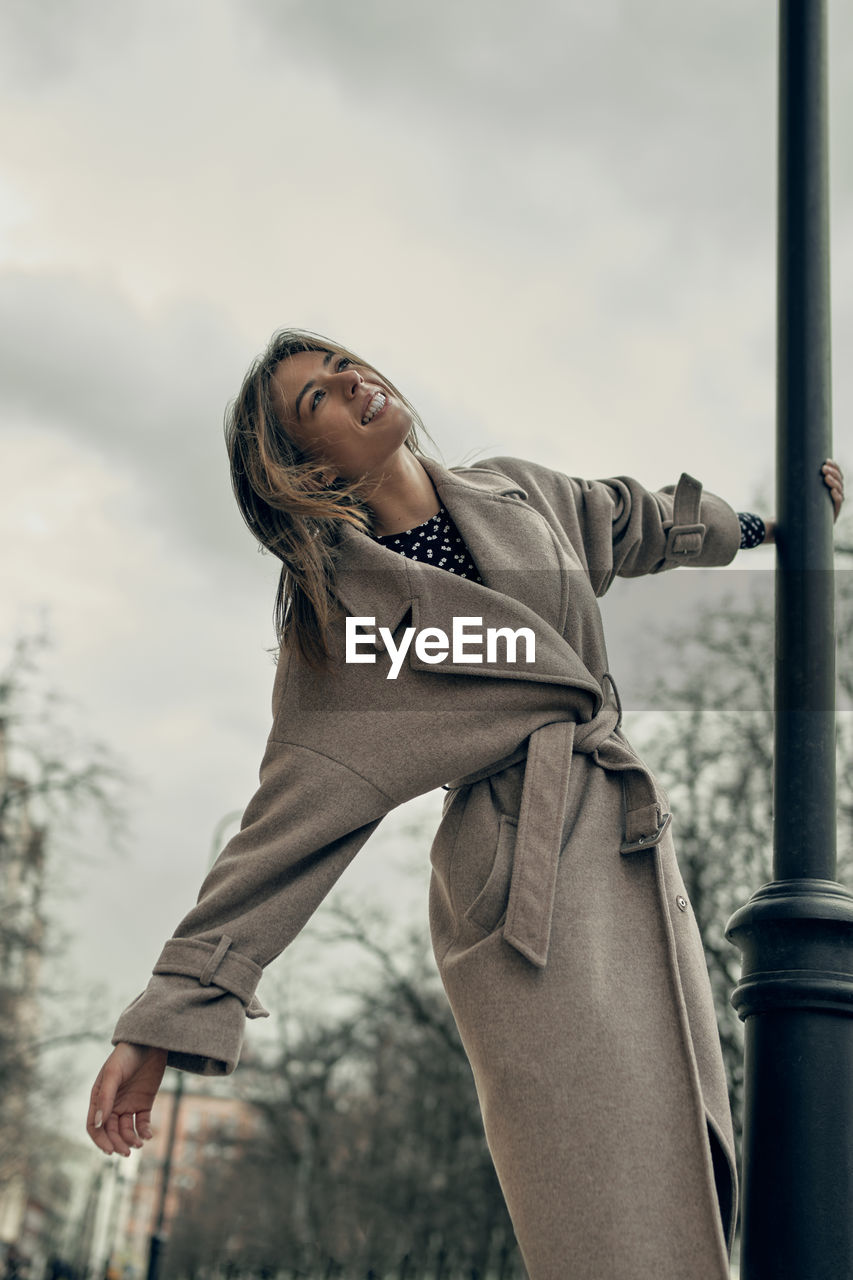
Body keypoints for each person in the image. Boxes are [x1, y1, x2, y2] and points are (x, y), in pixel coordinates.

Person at [86, 329, 845, 1280]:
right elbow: (285, 826)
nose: (352, 381)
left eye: (343, 364)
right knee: (612, 1215)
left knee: (686, 1174)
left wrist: (776, 529)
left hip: (626, 848)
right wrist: (164, 1018)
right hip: (521, 894)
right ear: (301, 470)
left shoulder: (515, 494)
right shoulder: (348, 625)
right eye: (316, 396)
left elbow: (638, 519)